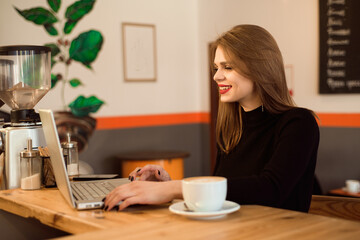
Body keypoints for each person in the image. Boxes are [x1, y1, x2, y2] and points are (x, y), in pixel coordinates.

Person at [104, 24, 320, 213]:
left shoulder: (299, 123)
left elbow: (270, 189)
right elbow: (225, 194)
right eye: (217, 67)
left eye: (228, 67)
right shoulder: (231, 128)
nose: (217, 76)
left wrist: (172, 189)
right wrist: (167, 185)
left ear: (259, 68)